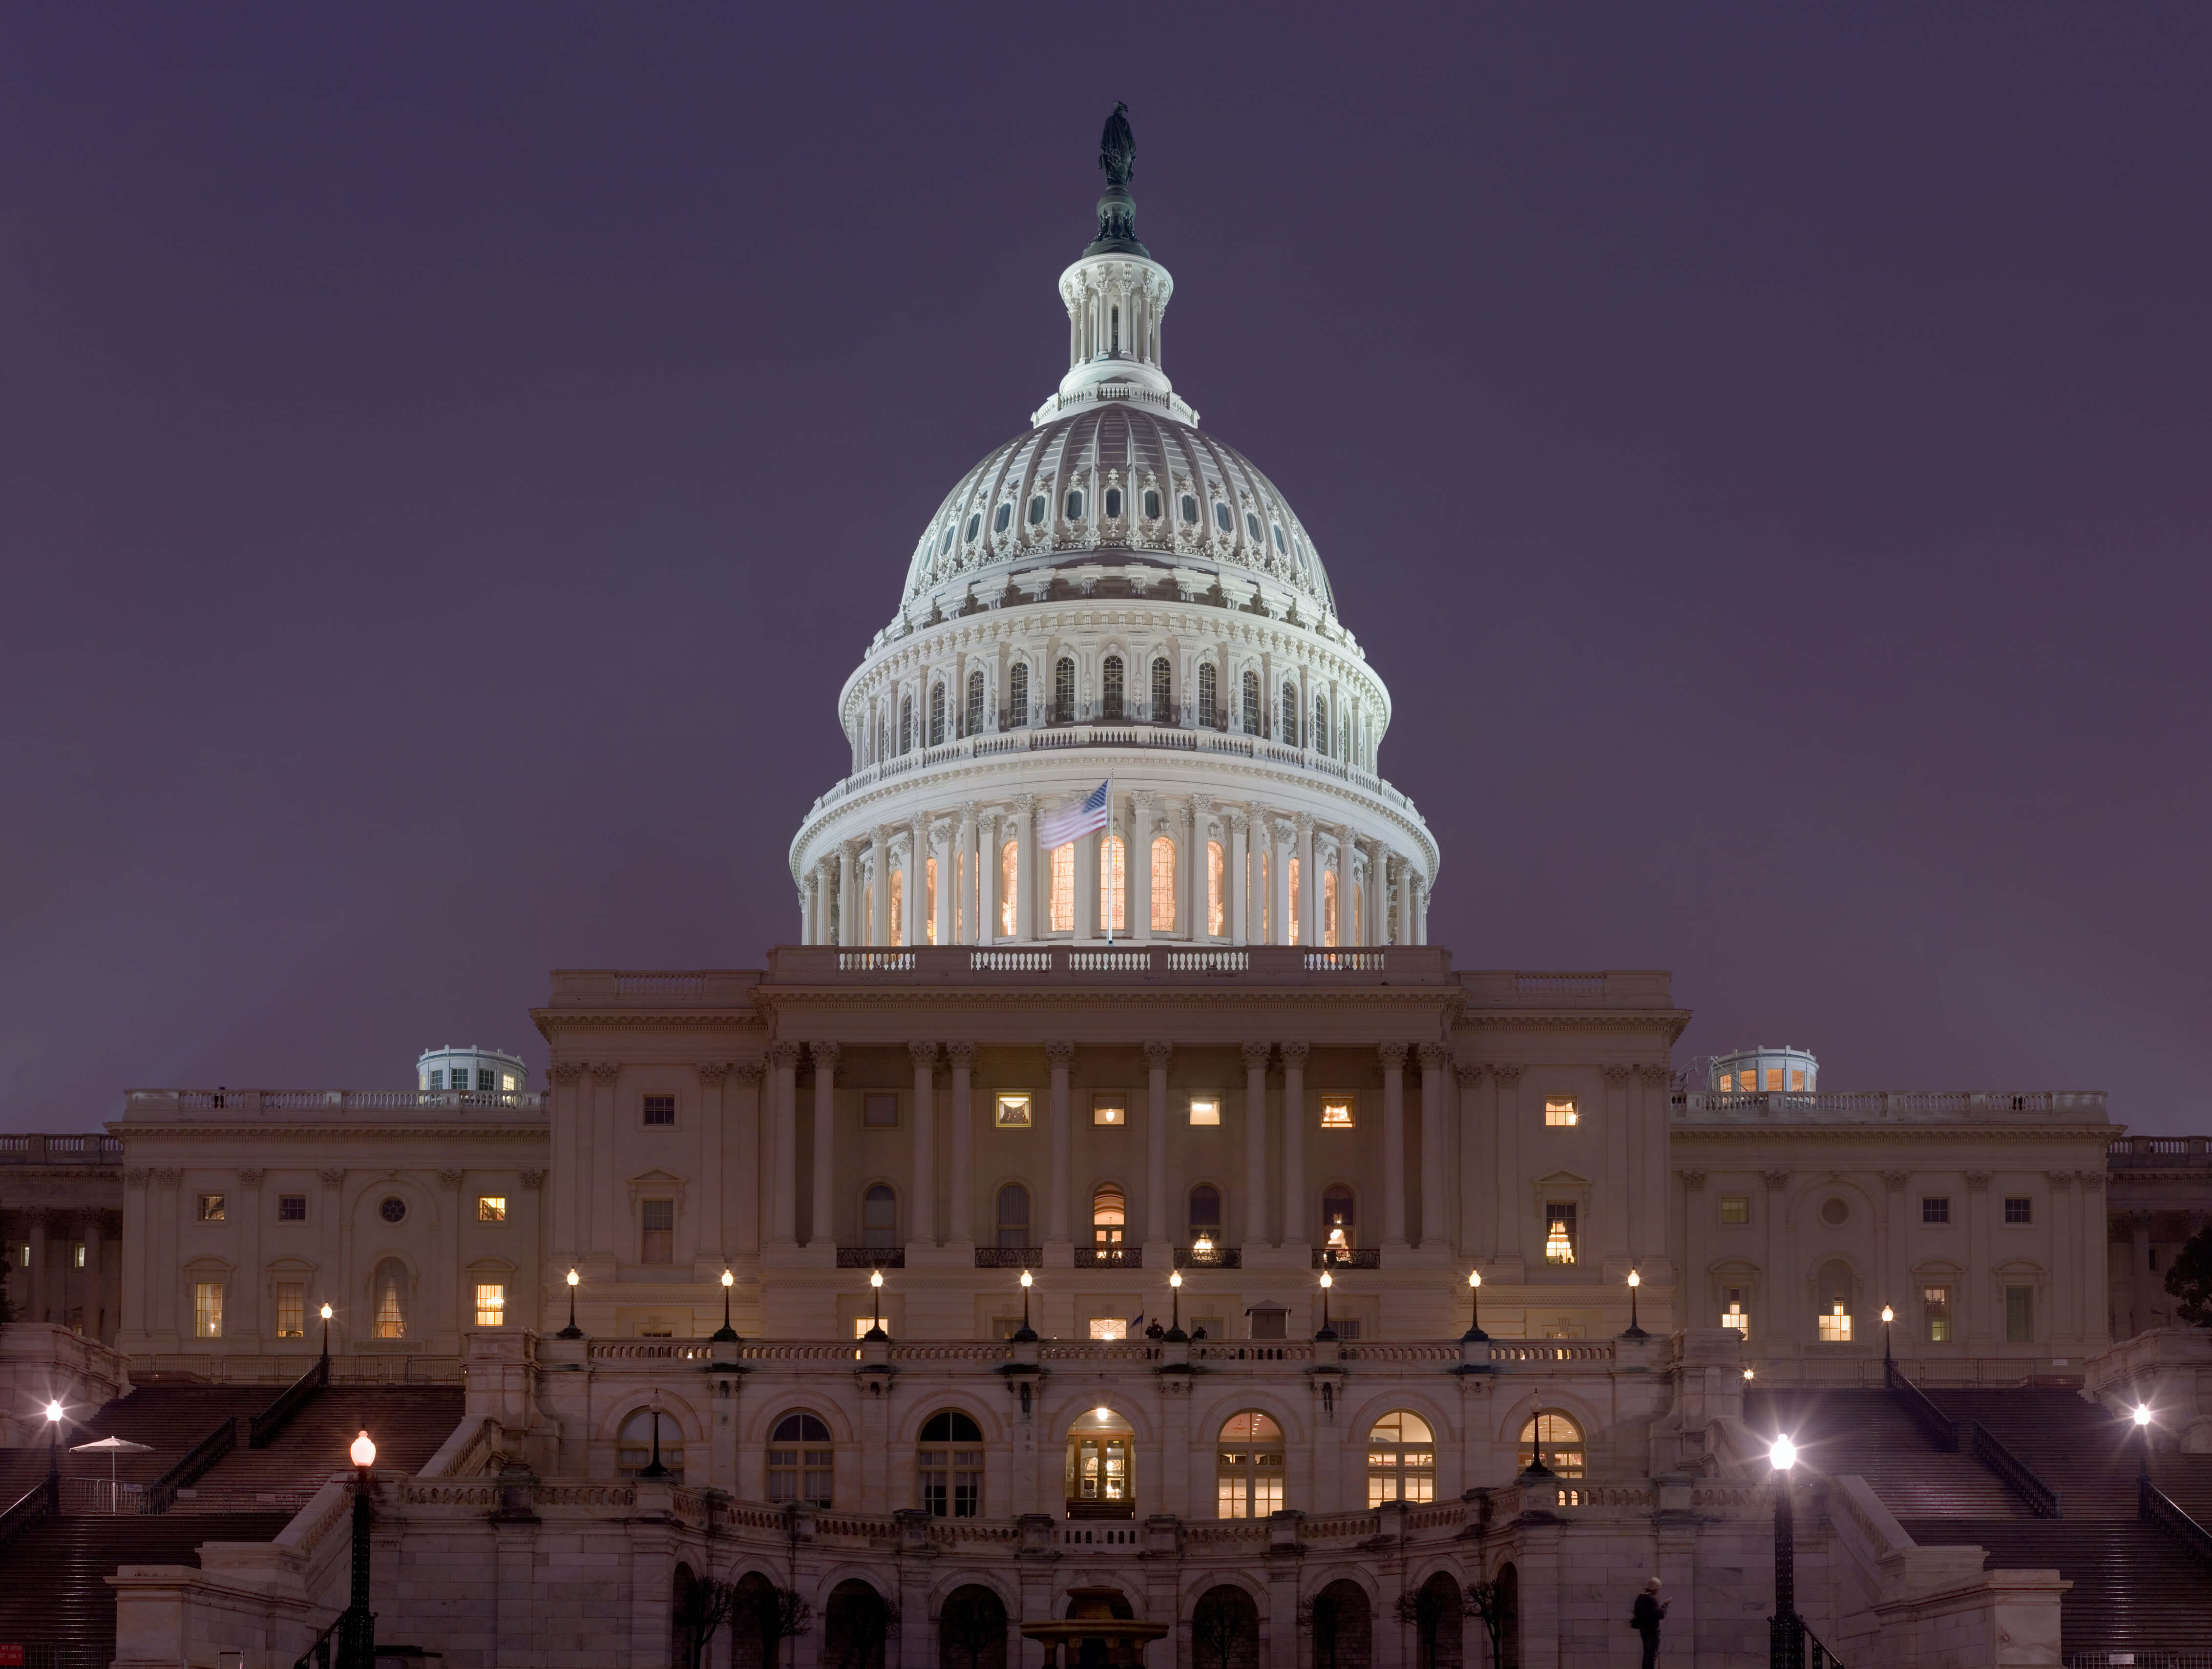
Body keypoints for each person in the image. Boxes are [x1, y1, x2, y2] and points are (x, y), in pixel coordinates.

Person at [1629, 1577, 1666, 1669]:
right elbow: (1660, 1615)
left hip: (1644, 1630)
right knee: (1651, 1655)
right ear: (1656, 1589)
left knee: (1647, 1654)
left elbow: (1637, 1612)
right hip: (1652, 1631)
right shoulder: (1652, 1599)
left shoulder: (1640, 1598)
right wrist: (1665, 1605)